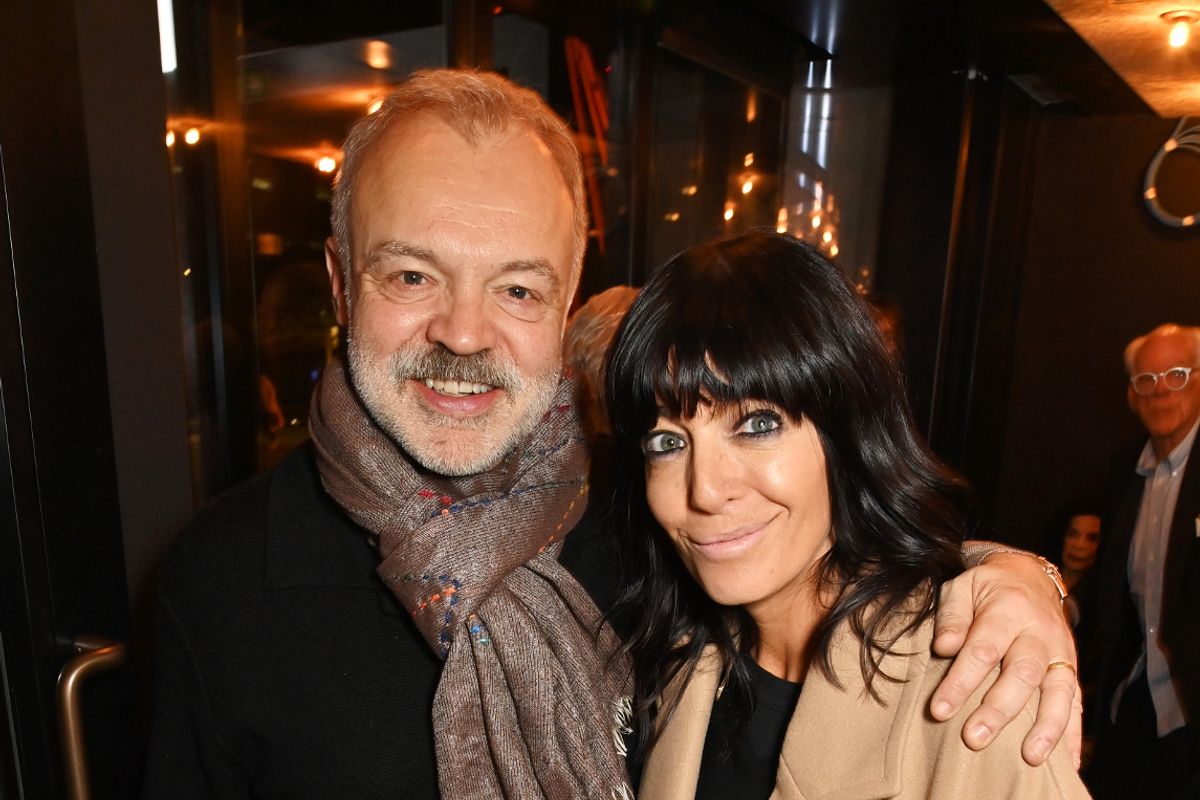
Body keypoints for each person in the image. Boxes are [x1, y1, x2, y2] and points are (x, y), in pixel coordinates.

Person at [142, 70, 1079, 800]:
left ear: (569, 296)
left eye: (516, 287)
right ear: (344, 284)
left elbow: (825, 571)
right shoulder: (217, 584)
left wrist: (1010, 580)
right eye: (413, 277)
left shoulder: (643, 521)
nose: (464, 333)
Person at [605, 231, 1089, 798]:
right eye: (667, 442)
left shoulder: (976, 701)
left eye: (758, 425)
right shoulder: (674, 667)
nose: (705, 491)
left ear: (849, 434)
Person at [1083, 324, 1200, 799]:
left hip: (1192, 701)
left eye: (1176, 374)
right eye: (1145, 381)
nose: (1160, 391)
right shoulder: (1124, 468)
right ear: (1131, 396)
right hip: (1132, 688)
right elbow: (1110, 580)